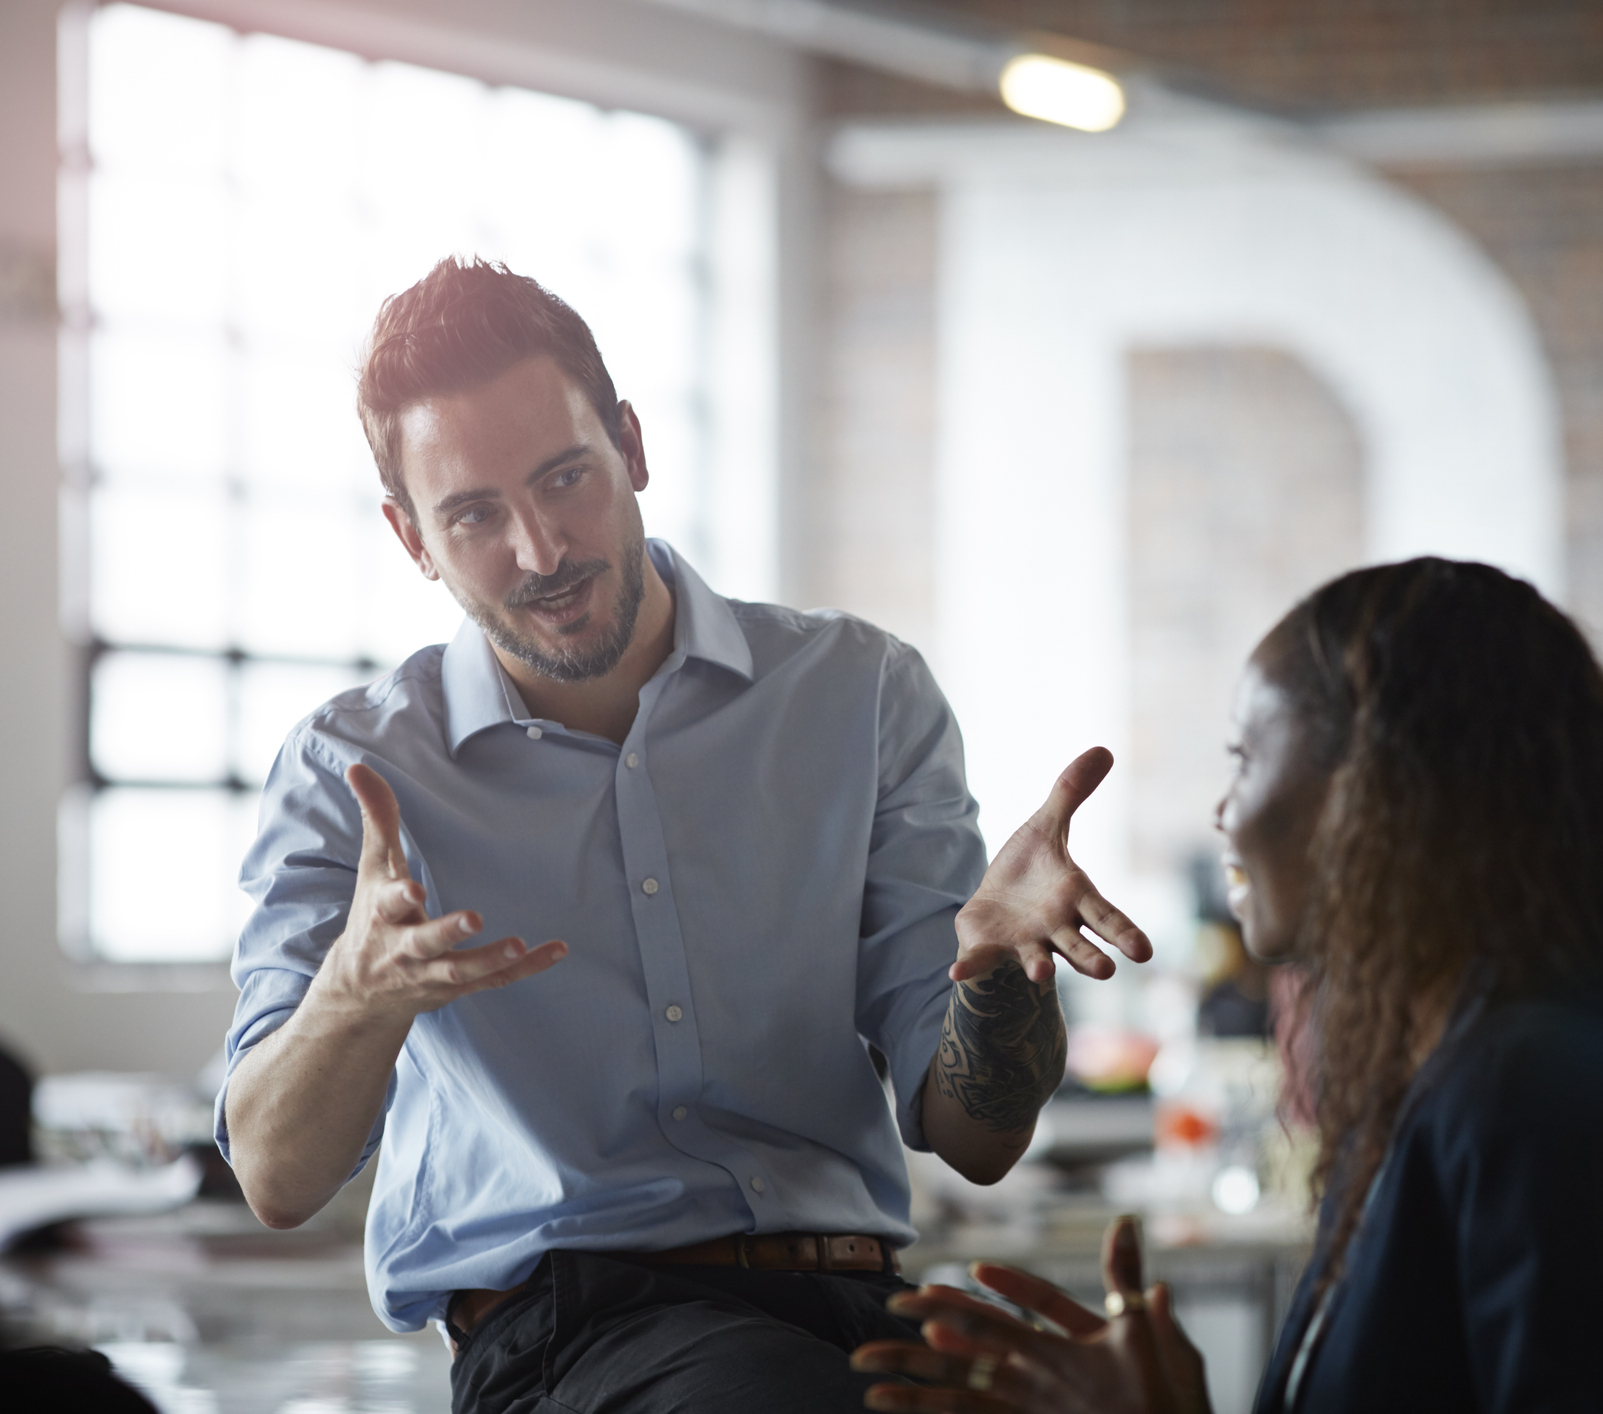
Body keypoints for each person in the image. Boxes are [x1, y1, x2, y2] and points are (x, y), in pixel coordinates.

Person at [214, 256, 1149, 1413]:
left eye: (566, 479)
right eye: (474, 516)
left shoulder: (857, 692)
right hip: (568, 1337)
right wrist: (354, 998)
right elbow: (273, 1173)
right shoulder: (351, 774)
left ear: (633, 446)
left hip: (863, 1311)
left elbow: (976, 1137)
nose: (542, 549)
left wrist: (1001, 979)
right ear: (413, 537)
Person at [850, 557, 1603, 1412]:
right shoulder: (1448, 1083)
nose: (1226, 813)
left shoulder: (1533, 1092)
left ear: (1379, 783)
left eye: (1246, 754)